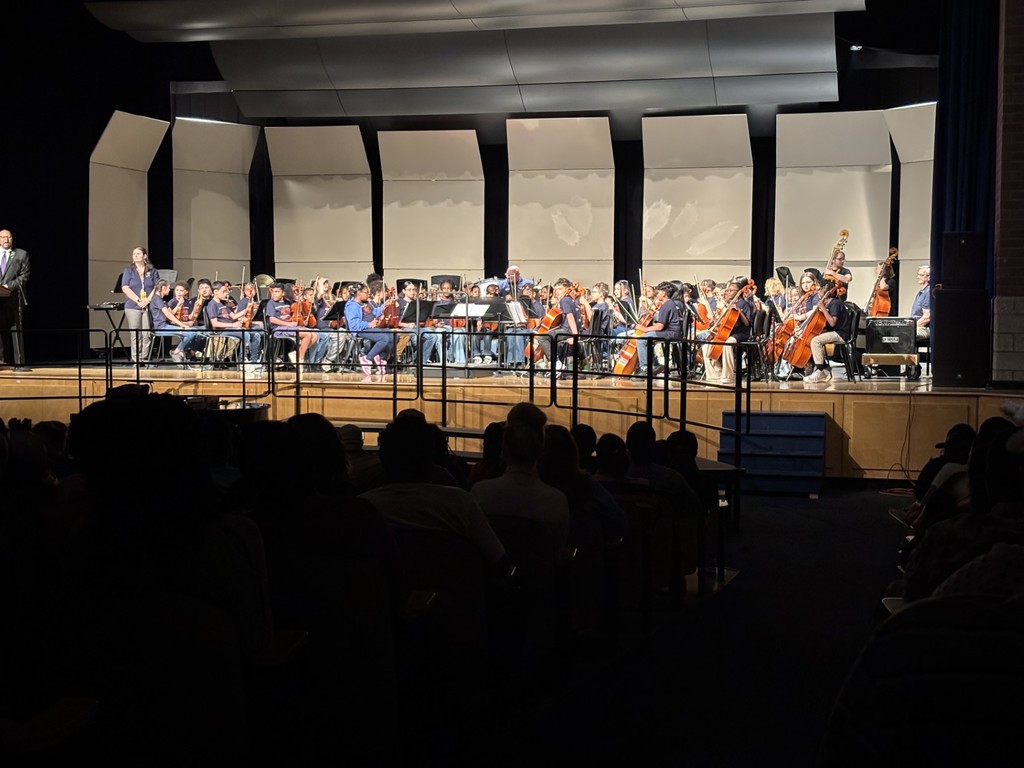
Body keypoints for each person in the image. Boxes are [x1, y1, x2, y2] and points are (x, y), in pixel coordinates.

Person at [702, 279, 754, 385]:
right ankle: (714, 374)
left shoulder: (744, 304)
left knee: (727, 344)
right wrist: (715, 320)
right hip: (727, 331)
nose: (727, 292)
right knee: (706, 346)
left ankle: (728, 375)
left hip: (741, 333)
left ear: (738, 291)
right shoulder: (727, 304)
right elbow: (724, 321)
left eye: (730, 290)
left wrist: (739, 311)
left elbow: (747, 323)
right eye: (727, 290)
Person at [802, 279, 852, 383]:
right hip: (835, 331)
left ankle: (820, 371)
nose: (818, 292)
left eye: (820, 289)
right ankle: (825, 368)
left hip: (841, 333)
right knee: (811, 338)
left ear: (825, 290)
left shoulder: (835, 303)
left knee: (815, 341)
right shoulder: (829, 302)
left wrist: (823, 308)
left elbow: (833, 322)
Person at [120, 246, 160, 366]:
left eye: (138, 253)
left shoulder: (152, 271)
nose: (135, 256)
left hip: (147, 305)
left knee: (146, 333)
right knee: (135, 333)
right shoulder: (129, 271)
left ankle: (145, 359)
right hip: (133, 305)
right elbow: (125, 287)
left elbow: (156, 287)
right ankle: (136, 360)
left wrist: (147, 300)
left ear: (145, 256)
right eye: (134, 254)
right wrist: (138, 300)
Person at [206, 280, 262, 365]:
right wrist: (233, 325)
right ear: (216, 292)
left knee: (256, 334)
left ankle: (254, 360)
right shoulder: (212, 304)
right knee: (245, 334)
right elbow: (215, 324)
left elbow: (234, 316)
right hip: (222, 329)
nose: (226, 293)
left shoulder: (223, 303)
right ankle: (242, 359)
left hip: (231, 327)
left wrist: (248, 309)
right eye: (224, 291)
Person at [344, 281, 393, 376]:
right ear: (359, 293)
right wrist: (369, 324)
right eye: (366, 292)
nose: (368, 294)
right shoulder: (352, 306)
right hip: (361, 329)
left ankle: (381, 358)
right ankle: (367, 358)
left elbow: (375, 312)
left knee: (393, 336)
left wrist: (385, 306)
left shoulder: (365, 303)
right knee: (384, 338)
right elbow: (353, 325)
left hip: (370, 327)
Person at [265, 281, 317, 365]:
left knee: (314, 336)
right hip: (279, 328)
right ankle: (300, 360)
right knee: (307, 334)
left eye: (277, 292)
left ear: (283, 293)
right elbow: (272, 319)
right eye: (273, 292)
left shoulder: (287, 302)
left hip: (290, 327)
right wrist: (288, 324)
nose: (274, 294)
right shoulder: (271, 303)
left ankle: (296, 354)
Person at [0, 229, 29, 370]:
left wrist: (8, 286)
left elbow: (24, 276)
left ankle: (19, 363)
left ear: (12, 239)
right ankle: (1, 361)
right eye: (3, 237)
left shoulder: (20, 254)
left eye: (9, 237)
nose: (6, 239)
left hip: (13, 299)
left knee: (15, 330)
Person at [911, 265, 931, 340]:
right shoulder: (921, 292)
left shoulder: (928, 292)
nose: (918, 277)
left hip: (924, 328)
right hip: (917, 326)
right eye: (918, 275)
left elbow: (927, 317)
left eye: (921, 275)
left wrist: (912, 327)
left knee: (903, 335)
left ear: (929, 277)